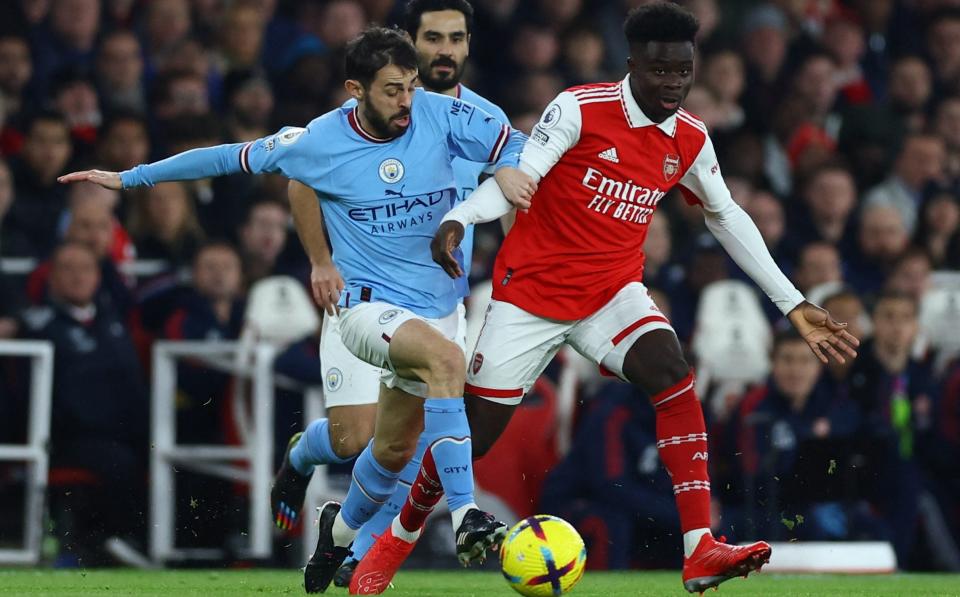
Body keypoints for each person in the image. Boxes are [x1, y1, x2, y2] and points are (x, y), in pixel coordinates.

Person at [369, 4, 860, 594]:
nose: (673, 83)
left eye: (683, 71)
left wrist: (793, 303)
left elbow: (726, 216)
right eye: (660, 71)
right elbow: (521, 179)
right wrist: (461, 217)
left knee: (674, 372)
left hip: (611, 294)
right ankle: (390, 546)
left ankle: (699, 548)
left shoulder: (690, 137)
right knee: (473, 436)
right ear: (632, 66)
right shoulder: (579, 109)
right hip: (530, 298)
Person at [58, 26, 534, 594]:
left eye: (409, 87)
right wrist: (129, 178)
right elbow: (225, 158)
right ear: (356, 88)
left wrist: (507, 164)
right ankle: (466, 517)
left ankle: (339, 533)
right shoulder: (317, 142)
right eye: (390, 90)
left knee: (390, 447)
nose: (405, 101)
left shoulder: (440, 112)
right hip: (365, 310)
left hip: (434, 306)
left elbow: (517, 144)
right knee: (441, 368)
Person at [274, 1, 514, 589]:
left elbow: (519, 187)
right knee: (357, 438)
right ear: (407, 44)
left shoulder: (483, 122)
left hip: (441, 301)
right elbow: (300, 178)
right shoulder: (360, 116)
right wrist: (320, 260)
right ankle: (304, 455)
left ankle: (355, 552)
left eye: (456, 38)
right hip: (366, 295)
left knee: (409, 442)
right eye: (432, 37)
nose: (445, 50)